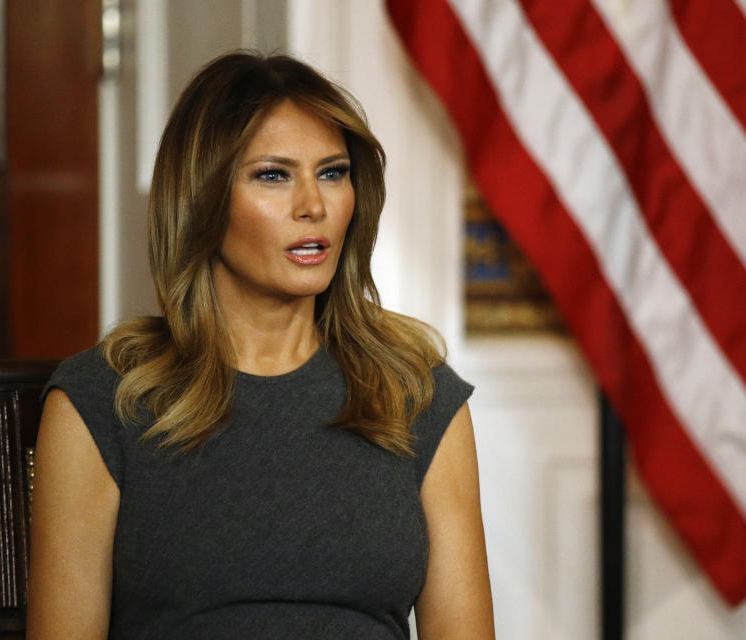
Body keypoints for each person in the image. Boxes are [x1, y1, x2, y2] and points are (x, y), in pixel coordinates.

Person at [27, 51, 494, 639]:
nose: (314, 206)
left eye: (333, 172)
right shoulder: (102, 401)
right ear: (203, 197)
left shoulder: (415, 394)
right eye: (273, 175)